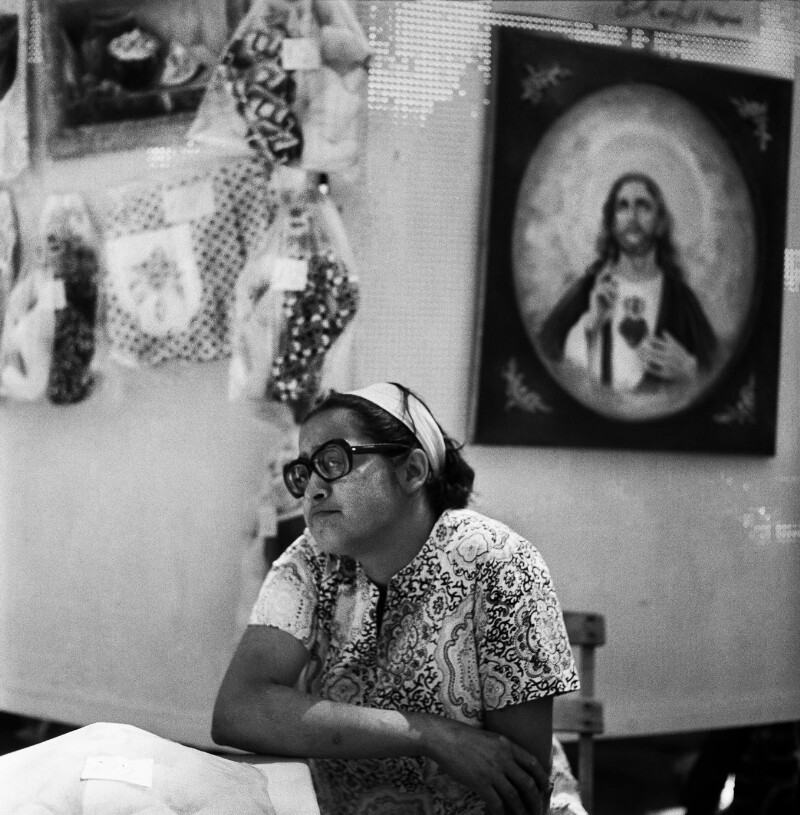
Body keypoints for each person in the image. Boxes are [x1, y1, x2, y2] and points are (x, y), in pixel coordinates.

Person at [212, 381, 581, 815]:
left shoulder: (497, 562)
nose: (312, 489)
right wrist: (427, 734)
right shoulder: (310, 562)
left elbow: (518, 784)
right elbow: (238, 710)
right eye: (304, 472)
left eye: (333, 461)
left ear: (412, 472)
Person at [537, 173, 718, 392]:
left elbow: (717, 368)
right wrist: (591, 326)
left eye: (643, 206)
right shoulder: (589, 289)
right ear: (612, 223)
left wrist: (690, 369)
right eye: (622, 206)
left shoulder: (680, 298)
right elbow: (544, 358)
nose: (632, 216)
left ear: (660, 223)